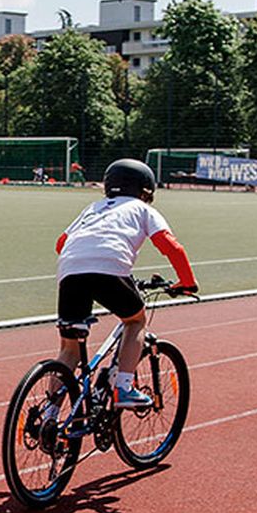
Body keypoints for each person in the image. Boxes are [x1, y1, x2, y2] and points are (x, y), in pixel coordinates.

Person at [53, 158, 198, 409]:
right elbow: (172, 247)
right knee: (135, 321)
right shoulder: (143, 210)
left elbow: (61, 244)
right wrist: (187, 282)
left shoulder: (93, 208)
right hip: (109, 269)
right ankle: (124, 387)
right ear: (146, 189)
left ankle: (50, 413)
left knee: (69, 349)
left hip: (70, 271)